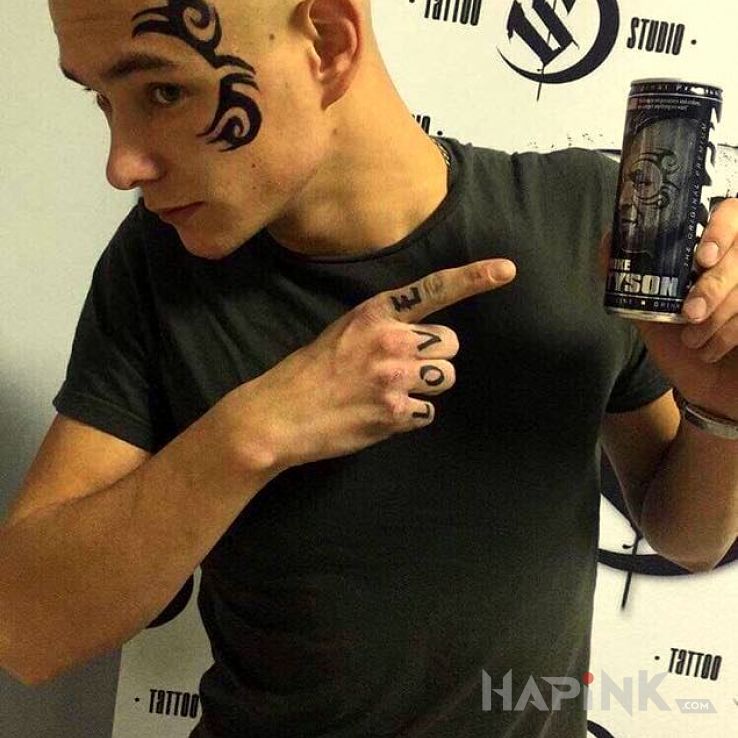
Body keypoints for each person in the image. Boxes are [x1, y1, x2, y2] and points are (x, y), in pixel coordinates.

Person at [1, 0, 737, 736]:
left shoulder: (582, 216)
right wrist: (257, 431)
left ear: (327, 43)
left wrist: (723, 407)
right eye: (101, 99)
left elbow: (688, 536)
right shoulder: (158, 265)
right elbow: (26, 633)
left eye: (164, 91)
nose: (121, 164)